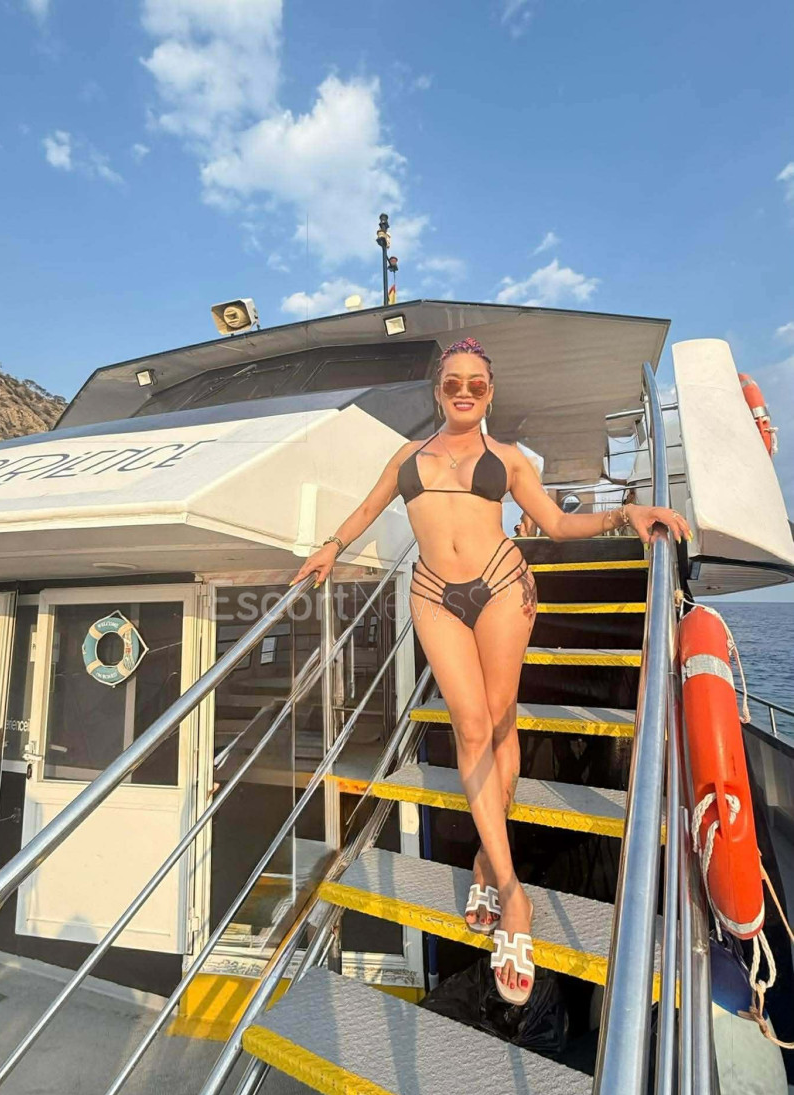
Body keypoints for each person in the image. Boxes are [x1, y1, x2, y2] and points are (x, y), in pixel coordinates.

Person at [290, 336, 691, 1005]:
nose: (463, 391)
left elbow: (555, 524)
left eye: (475, 383)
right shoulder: (407, 458)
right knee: (471, 728)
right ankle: (513, 895)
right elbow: (366, 510)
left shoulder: (507, 460)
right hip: (433, 596)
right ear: (438, 390)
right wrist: (330, 548)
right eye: (452, 382)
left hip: (503, 588)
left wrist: (628, 513)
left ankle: (485, 859)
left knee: (501, 724)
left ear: (489, 393)